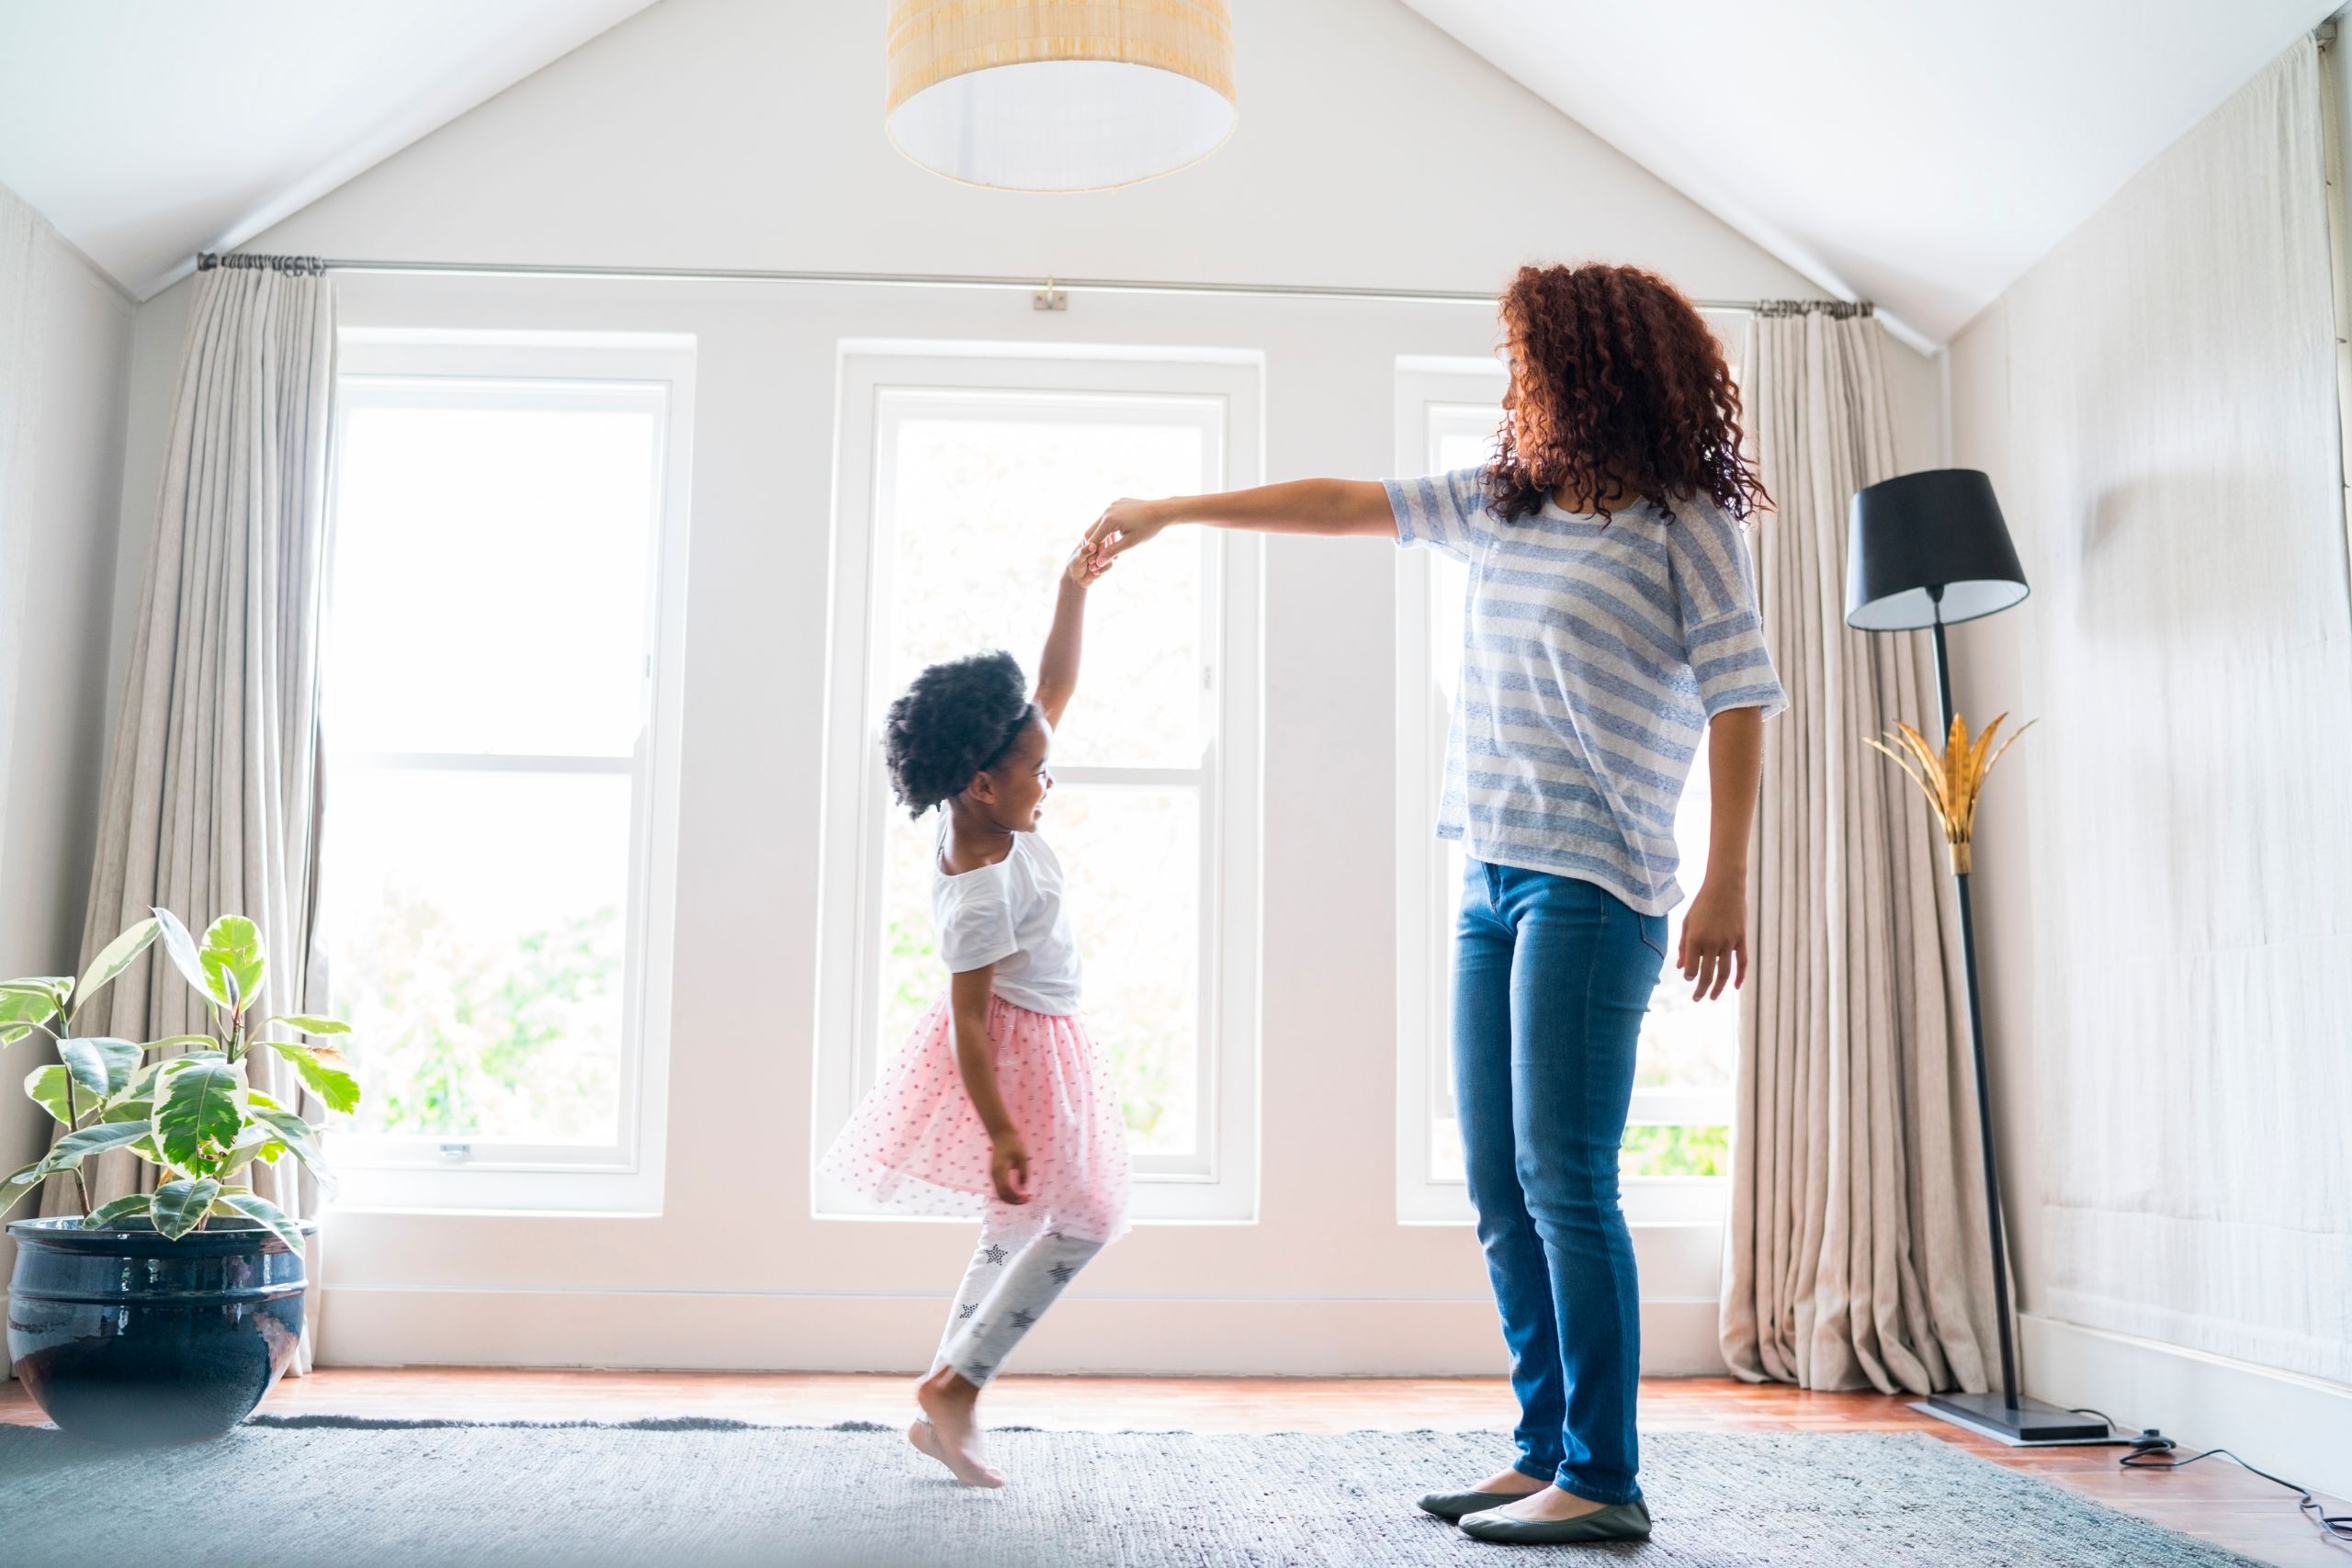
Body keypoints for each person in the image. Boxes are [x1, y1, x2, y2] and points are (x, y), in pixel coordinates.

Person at [1081, 262, 1785, 1546]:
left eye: (1533, 357)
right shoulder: (1503, 503)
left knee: (1568, 1176)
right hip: (1491, 875)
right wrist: (1174, 508)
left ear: (1596, 365)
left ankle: (1606, 1472)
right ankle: (1542, 1449)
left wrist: (1727, 875)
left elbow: (1742, 693)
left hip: (1597, 880)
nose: (1519, 380)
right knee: (1501, 1184)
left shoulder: (1684, 519)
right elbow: (1347, 500)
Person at [819, 545, 1131, 1489]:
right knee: (1088, 1216)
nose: (1052, 780)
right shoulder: (980, 887)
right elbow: (966, 1020)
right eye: (1039, 771)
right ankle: (956, 1385)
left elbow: (1053, 684)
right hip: (1014, 1056)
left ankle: (945, 1402)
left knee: (1012, 1231)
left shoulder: (1002, 800)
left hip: (1047, 1042)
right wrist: (998, 1127)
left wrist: (1072, 589)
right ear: (982, 785)